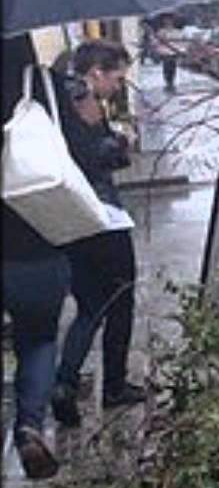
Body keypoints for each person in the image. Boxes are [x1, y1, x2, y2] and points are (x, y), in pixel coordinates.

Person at [48, 40, 146, 428]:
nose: (120, 85)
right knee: (121, 297)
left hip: (70, 218)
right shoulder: (83, 97)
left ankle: (64, 383)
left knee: (90, 305)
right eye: (118, 77)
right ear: (97, 72)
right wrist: (123, 141)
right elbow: (94, 155)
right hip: (102, 217)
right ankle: (115, 387)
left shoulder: (55, 96)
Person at [2, 34, 72, 481]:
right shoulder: (42, 87)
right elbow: (78, 154)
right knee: (39, 340)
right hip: (34, 243)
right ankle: (28, 427)